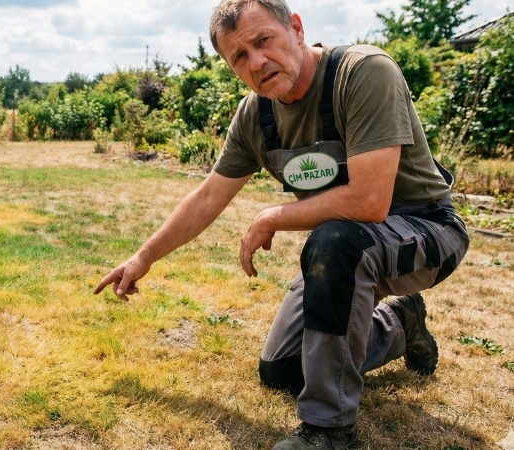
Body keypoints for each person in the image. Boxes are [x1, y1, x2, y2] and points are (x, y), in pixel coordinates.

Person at [92, 0, 470, 448]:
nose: (257, 62)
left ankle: (328, 431)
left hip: (427, 231)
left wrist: (274, 215)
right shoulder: (257, 116)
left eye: (262, 41)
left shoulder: (363, 72)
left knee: (333, 240)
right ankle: (397, 323)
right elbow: (209, 195)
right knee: (283, 370)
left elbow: (369, 201)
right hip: (349, 250)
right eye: (239, 57)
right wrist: (143, 257)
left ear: (295, 27)